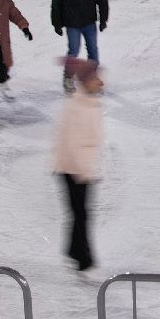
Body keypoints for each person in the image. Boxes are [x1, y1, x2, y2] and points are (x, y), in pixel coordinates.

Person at [54, 57, 104, 271]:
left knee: (80, 213)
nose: (101, 82)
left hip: (74, 167)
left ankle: (77, 252)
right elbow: (74, 143)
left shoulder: (86, 101)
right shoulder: (80, 106)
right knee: (81, 213)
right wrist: (84, 172)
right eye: (96, 78)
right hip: (72, 168)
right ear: (86, 81)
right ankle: (82, 257)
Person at [52, 0, 109, 90]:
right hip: (72, 25)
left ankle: (92, 75)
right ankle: (68, 78)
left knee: (93, 50)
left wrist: (103, 20)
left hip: (89, 22)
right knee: (73, 52)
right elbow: (56, 5)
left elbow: (102, 0)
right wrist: (57, 24)